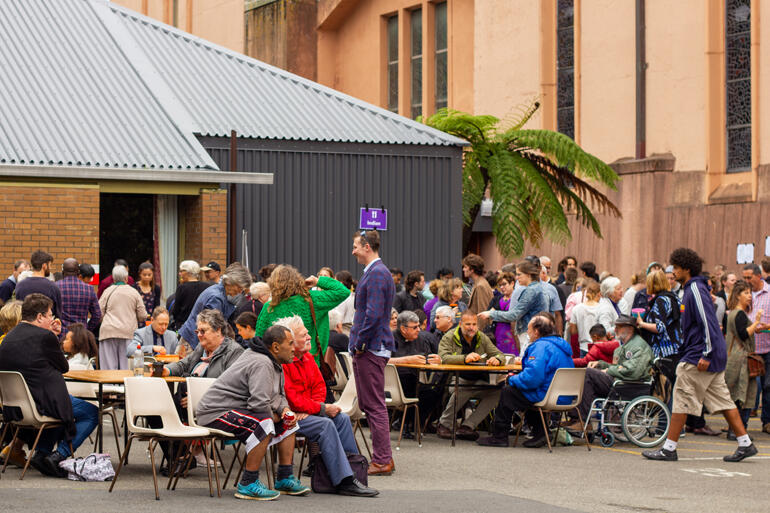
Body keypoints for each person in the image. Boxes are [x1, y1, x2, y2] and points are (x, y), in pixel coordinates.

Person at [642, 248, 757, 462]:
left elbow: (707, 322)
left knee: (681, 398)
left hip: (699, 355)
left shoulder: (694, 288)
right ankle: (745, 443)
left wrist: (706, 352)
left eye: (676, 267)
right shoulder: (696, 287)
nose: (673, 271)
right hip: (709, 353)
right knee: (724, 400)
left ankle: (669, 448)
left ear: (686, 268)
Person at [196, 325, 310, 500]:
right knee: (264, 422)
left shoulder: (274, 361)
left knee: (289, 421)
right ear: (276, 347)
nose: (295, 348)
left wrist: (285, 411)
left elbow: (278, 396)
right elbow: (259, 404)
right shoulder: (262, 362)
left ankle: (285, 478)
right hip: (215, 412)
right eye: (290, 343)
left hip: (237, 409)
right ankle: (248, 483)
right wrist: (276, 417)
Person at [275, 316, 378, 497]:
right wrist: (318, 409)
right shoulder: (284, 363)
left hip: (305, 413)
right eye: (304, 335)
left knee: (342, 418)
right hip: (287, 415)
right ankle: (344, 480)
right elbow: (292, 399)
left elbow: (319, 387)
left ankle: (353, 473)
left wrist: (315, 408)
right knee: (326, 424)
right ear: (289, 341)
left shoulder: (307, 357)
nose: (309, 337)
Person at [0, 294, 98, 477]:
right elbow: (63, 366)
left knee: (61, 406)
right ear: (39, 317)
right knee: (91, 413)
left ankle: (41, 454)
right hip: (41, 403)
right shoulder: (45, 337)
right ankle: (58, 454)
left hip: (15, 408)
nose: (53, 319)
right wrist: (53, 335)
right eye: (50, 315)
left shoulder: (8, 338)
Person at [477, 313, 574, 448]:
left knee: (508, 391)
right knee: (523, 392)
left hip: (547, 395)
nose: (527, 333)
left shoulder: (540, 347)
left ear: (536, 331)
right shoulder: (562, 346)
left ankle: (499, 436)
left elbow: (532, 379)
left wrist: (511, 378)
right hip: (565, 395)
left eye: (528, 329)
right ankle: (540, 433)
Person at [349, 230, 396, 476]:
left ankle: (382, 460)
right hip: (372, 345)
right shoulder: (377, 272)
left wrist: (359, 343)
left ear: (367, 246)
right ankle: (383, 457)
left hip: (371, 347)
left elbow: (374, 314)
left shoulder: (377, 273)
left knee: (374, 405)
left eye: (356, 246)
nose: (353, 250)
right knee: (371, 403)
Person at [566, 315, 653, 430]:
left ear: (630, 329)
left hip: (627, 385)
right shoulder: (626, 345)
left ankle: (582, 420)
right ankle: (579, 419)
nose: (615, 329)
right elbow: (621, 367)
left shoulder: (637, 346)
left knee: (588, 373)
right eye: (616, 326)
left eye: (619, 327)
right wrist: (601, 364)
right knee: (587, 378)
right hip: (622, 382)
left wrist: (608, 369)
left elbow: (633, 371)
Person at [255, 265, 349, 367]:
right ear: (298, 280)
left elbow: (259, 338)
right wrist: (317, 281)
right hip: (309, 361)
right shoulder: (311, 299)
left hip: (280, 364)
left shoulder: (269, 307)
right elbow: (343, 291)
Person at [436, 311, 503, 441]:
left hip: (479, 380)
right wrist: (465, 358)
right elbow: (443, 358)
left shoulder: (481, 337)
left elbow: (499, 354)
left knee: (499, 392)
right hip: (456, 379)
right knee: (464, 387)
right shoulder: (449, 337)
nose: (471, 327)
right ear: (460, 324)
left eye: (474, 324)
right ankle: (444, 424)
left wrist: (498, 360)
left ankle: (467, 426)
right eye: (468, 324)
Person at [178, 262, 252, 353]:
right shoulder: (216, 297)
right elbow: (213, 328)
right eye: (240, 287)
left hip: (196, 340)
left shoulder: (223, 294)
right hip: (192, 343)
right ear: (231, 282)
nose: (240, 292)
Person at [389, 311, 442, 436]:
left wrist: (435, 360)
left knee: (435, 391)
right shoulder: (389, 338)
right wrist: (407, 360)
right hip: (392, 382)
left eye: (419, 326)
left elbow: (424, 356)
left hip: (414, 379)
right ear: (403, 328)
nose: (419, 330)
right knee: (413, 388)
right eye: (415, 327)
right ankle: (405, 423)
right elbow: (381, 361)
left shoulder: (420, 339)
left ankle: (411, 423)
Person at [479, 261, 548, 355]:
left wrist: (491, 314)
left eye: (519, 274)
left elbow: (514, 314)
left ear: (528, 275)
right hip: (533, 332)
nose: (517, 277)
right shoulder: (536, 288)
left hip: (530, 333)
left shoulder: (532, 290)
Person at [724, 280, 763, 439]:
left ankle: (736, 430)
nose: (749, 296)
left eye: (750, 293)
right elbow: (743, 333)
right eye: (746, 293)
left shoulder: (735, 313)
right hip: (740, 361)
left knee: (740, 394)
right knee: (743, 395)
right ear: (738, 295)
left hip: (736, 358)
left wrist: (757, 327)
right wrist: (757, 321)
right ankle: (738, 431)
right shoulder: (738, 313)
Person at [98, 265, 146, 370]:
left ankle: (108, 386)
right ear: (126, 278)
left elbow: (99, 313)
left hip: (108, 332)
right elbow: (142, 315)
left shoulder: (107, 291)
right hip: (128, 332)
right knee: (127, 368)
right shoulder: (134, 292)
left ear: (114, 278)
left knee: (108, 369)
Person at [741, 263, 770, 434]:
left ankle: (767, 422)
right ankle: (740, 424)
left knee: (768, 386)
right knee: (746, 387)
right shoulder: (745, 294)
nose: (746, 281)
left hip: (767, 348)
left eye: (749, 277)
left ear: (759, 276)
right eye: (744, 277)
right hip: (749, 348)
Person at [636, 270, 681, 359]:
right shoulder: (673, 296)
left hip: (664, 351)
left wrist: (641, 323)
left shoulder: (661, 300)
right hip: (676, 345)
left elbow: (659, 327)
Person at [56, 258, 101, 337]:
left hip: (62, 334)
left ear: (63, 272)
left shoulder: (56, 287)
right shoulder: (89, 289)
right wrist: (87, 329)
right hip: (81, 334)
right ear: (78, 272)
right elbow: (97, 315)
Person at [14, 250, 62, 320]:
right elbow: (57, 315)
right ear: (44, 266)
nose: (50, 268)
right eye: (50, 265)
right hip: (45, 328)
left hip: (25, 326)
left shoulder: (20, 285)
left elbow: (18, 309)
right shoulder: (52, 287)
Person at [169, 260, 211, 330]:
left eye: (182, 271)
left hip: (184, 326)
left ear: (188, 272)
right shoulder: (206, 286)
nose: (180, 273)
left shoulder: (182, 288)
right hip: (202, 325)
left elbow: (176, 310)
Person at [568, 279, 601, 355]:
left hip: (583, 346)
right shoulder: (601, 308)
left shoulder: (576, 309)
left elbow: (573, 331)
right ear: (599, 294)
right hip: (598, 346)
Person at [486, 271, 516, 354]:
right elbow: (488, 314)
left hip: (512, 334)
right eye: (500, 285)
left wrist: (495, 313)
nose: (502, 287)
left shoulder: (517, 299)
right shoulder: (497, 299)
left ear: (512, 283)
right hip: (497, 333)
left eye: (504, 284)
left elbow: (513, 315)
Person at [463, 254, 495, 328]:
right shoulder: (479, 283)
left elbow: (483, 313)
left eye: (465, 267)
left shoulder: (480, 286)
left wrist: (479, 336)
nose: (463, 269)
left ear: (472, 269)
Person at [330, 270, 356, 335]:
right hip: (351, 329)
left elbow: (339, 317)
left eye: (335, 281)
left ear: (340, 283)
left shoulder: (343, 297)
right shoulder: (353, 295)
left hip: (343, 329)